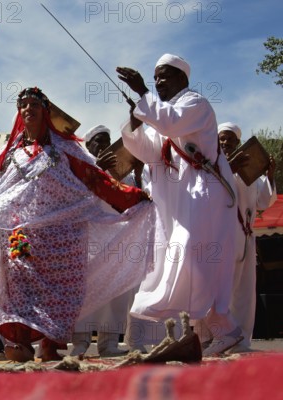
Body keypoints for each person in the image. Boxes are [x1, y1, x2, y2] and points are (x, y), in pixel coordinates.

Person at [0, 87, 158, 362]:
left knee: (62, 291)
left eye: (34, 104)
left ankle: (51, 345)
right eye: (23, 105)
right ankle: (22, 342)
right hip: (22, 235)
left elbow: (97, 179)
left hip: (63, 234)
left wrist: (132, 197)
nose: (28, 109)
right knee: (19, 290)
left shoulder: (65, 148)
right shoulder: (8, 153)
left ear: (45, 111)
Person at [117, 54, 242, 356]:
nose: (158, 82)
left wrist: (142, 94)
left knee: (194, 259)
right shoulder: (163, 114)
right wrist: (136, 117)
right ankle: (209, 333)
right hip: (185, 200)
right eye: (155, 77)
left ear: (183, 80)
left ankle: (226, 329)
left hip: (207, 194)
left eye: (165, 76)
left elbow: (169, 122)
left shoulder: (194, 104)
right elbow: (146, 150)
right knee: (185, 264)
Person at [70, 125, 136, 357]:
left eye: (107, 141)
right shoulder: (82, 168)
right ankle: (80, 343)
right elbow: (75, 197)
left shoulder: (121, 170)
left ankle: (108, 344)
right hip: (91, 240)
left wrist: (133, 171)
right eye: (98, 141)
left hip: (118, 239)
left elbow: (135, 194)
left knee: (115, 294)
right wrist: (98, 171)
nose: (104, 145)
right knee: (86, 293)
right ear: (89, 147)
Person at [212, 122, 276, 352]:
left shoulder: (250, 169)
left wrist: (269, 176)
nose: (225, 143)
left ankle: (242, 340)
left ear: (239, 143)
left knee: (245, 292)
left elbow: (263, 202)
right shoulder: (212, 166)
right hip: (224, 236)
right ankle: (220, 338)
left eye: (230, 139)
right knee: (222, 289)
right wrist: (227, 169)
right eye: (222, 138)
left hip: (248, 237)